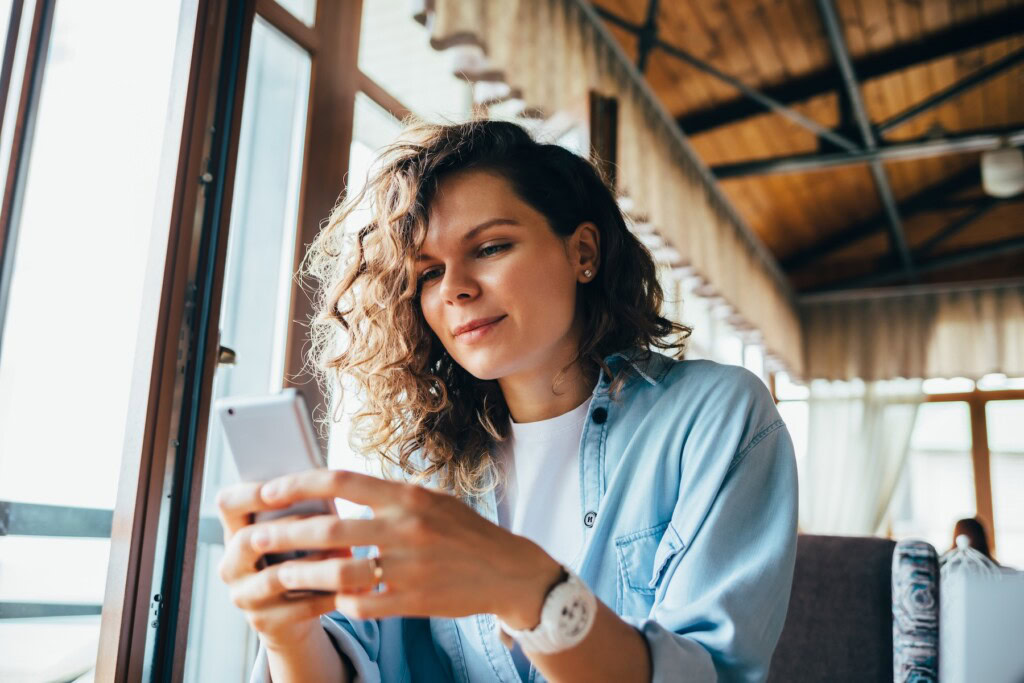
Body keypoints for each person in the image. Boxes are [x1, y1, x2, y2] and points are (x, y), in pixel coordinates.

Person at [215, 119, 799, 682]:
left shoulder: (717, 418)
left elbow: (707, 674)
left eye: (491, 247)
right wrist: (288, 635)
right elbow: (361, 659)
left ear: (583, 252)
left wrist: (531, 590)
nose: (455, 288)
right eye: (427, 273)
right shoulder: (423, 467)